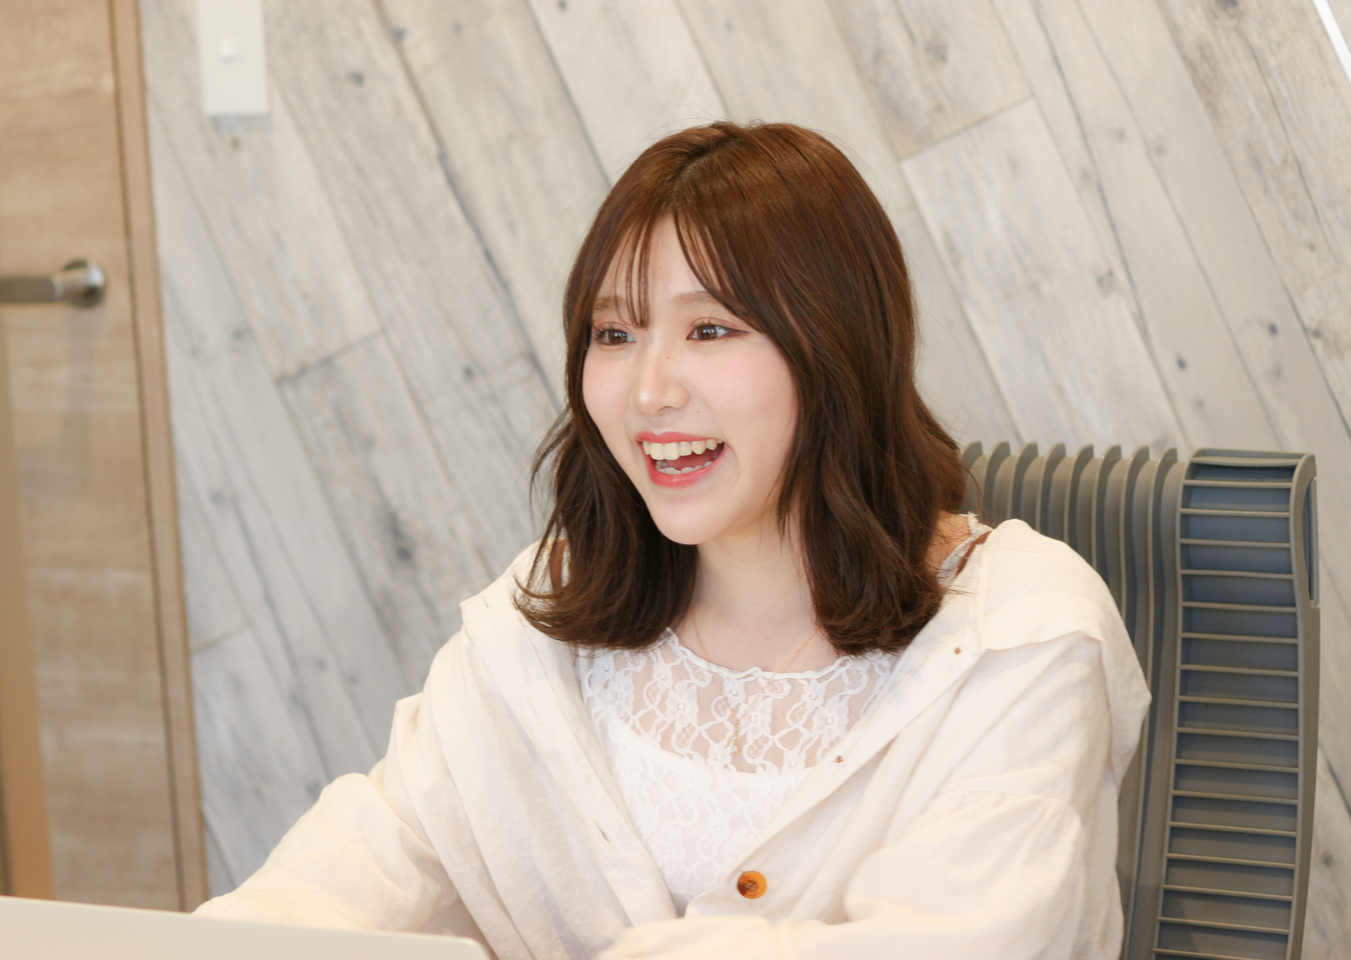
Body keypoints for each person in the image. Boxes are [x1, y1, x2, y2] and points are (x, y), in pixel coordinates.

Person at [193, 121, 1151, 960]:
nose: (648, 391)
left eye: (711, 330)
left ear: (840, 348)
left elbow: (973, 940)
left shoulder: (1018, 630)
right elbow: (375, 851)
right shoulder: (553, 612)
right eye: (614, 334)